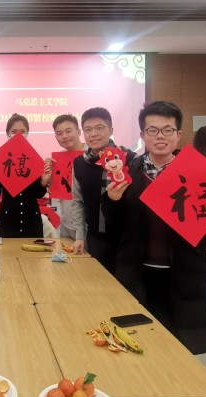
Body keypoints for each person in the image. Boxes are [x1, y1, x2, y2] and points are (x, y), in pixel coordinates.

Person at [102, 101, 206, 355]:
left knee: (183, 348)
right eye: (152, 130)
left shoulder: (200, 172)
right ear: (142, 135)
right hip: (139, 273)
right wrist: (112, 201)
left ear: (178, 134)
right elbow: (113, 225)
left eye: (167, 130)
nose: (160, 136)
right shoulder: (127, 172)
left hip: (185, 274)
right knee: (139, 344)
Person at [70, 107, 135, 273]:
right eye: (88, 129)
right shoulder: (79, 163)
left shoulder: (130, 158)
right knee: (96, 283)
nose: (93, 134)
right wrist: (79, 236)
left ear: (111, 130)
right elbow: (77, 201)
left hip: (127, 240)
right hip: (95, 238)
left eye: (99, 128)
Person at [0, 113, 52, 237]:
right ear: (7, 133)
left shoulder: (33, 158)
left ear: (28, 133)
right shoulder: (3, 159)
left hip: (31, 219)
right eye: (14, 131)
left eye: (22, 131)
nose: (18, 135)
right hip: (8, 219)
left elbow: (39, 194)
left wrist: (43, 182)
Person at [52, 114, 87, 239]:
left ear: (78, 131)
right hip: (66, 223)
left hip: (87, 225)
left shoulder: (91, 154)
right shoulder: (58, 159)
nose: (64, 136)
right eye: (59, 133)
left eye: (68, 131)